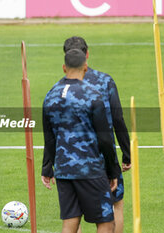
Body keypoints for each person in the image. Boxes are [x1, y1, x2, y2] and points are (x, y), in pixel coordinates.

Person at [41, 49, 122, 233]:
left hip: (63, 171)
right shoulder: (93, 95)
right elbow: (105, 138)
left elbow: (49, 137)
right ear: (85, 67)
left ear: (64, 68)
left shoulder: (50, 95)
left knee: (69, 223)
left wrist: (47, 168)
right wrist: (112, 170)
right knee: (106, 223)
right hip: (90, 170)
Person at [63, 36, 131, 233]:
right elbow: (118, 119)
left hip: (71, 157)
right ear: (87, 54)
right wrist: (126, 154)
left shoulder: (62, 89)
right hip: (102, 156)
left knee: (73, 213)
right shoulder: (105, 81)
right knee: (115, 204)